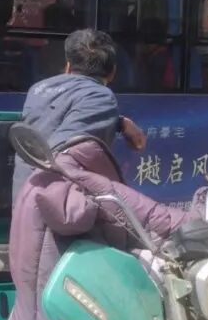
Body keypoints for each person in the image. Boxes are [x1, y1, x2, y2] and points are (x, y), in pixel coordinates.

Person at [11, 28, 146, 200]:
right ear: (113, 72)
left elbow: (58, 118)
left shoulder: (38, 88)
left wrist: (119, 122)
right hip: (56, 205)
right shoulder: (101, 96)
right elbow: (63, 153)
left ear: (67, 66)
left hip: (23, 197)